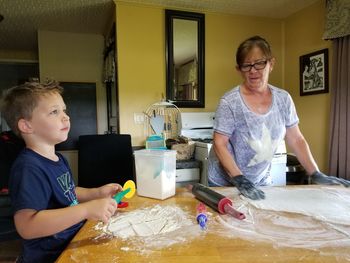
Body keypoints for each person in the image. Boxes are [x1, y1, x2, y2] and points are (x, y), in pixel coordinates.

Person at [208, 35, 350, 200]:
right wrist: (239, 179)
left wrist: (315, 172)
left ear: (271, 64)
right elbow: (219, 143)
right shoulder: (230, 102)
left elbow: (296, 139)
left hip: (260, 180)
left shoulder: (283, 99)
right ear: (239, 70)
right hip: (225, 181)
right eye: (246, 65)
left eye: (259, 63)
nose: (253, 70)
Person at [0, 80, 122, 263]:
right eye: (54, 112)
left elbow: (67, 192)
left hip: (69, 244)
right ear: (26, 126)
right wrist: (85, 210)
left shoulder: (58, 158)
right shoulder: (28, 168)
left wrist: (96, 193)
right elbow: (27, 226)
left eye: (64, 110)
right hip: (48, 256)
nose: (66, 117)